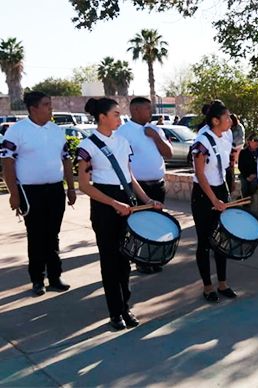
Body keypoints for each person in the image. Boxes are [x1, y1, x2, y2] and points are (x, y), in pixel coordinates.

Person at [77, 97, 162, 330]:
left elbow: (129, 176)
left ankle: (126, 306)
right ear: (102, 117)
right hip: (104, 205)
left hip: (125, 201)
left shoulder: (123, 141)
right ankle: (115, 312)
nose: (119, 118)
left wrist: (147, 199)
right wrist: (113, 203)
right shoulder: (87, 146)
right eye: (115, 113)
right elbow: (84, 185)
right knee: (110, 261)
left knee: (125, 259)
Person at [0, 91, 76, 296]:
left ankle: (55, 276)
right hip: (29, 191)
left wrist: (70, 187)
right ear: (33, 108)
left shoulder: (56, 131)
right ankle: (37, 279)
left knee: (53, 234)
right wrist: (13, 194)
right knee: (36, 236)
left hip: (55, 190)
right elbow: (7, 163)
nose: (51, 107)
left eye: (50, 104)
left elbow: (66, 159)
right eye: (46, 104)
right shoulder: (17, 131)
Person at [117, 97, 173, 274]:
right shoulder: (123, 131)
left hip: (158, 185)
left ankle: (153, 257)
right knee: (140, 225)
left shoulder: (155, 129)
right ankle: (140, 260)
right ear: (135, 111)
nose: (151, 112)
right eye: (147, 109)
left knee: (156, 223)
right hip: (138, 187)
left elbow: (169, 154)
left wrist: (156, 137)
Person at [190, 100, 237, 303]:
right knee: (205, 242)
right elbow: (200, 174)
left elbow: (226, 166)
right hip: (203, 193)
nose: (230, 120)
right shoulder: (202, 141)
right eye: (226, 117)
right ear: (215, 120)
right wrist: (214, 199)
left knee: (222, 239)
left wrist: (225, 192)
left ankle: (223, 283)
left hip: (219, 189)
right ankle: (208, 287)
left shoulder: (224, 137)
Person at [238, 132, 258, 198]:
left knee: (254, 183)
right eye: (254, 140)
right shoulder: (243, 152)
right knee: (244, 184)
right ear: (249, 141)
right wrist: (247, 176)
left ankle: (248, 198)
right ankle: (245, 200)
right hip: (246, 175)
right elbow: (241, 166)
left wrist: (255, 174)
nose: (257, 142)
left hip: (257, 174)